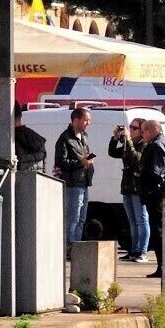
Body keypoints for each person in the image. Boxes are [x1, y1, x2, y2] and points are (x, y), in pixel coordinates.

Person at [131, 118, 165, 275]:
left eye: (143, 132)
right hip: (164, 191)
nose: (142, 135)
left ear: (151, 131)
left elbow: (155, 172)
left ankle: (162, 268)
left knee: (158, 231)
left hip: (157, 193)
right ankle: (163, 267)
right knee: (161, 230)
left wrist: (142, 178)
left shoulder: (156, 146)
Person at [108, 117, 151, 262]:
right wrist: (115, 138)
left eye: (134, 128)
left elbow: (137, 159)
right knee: (132, 221)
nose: (131, 130)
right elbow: (113, 152)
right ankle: (134, 250)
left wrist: (128, 141)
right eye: (130, 127)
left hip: (138, 187)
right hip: (127, 186)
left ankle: (142, 251)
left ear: (142, 131)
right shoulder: (130, 143)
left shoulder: (144, 145)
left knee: (141, 220)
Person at [53, 106, 96, 247]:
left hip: (84, 181)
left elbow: (84, 155)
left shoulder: (84, 136)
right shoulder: (65, 138)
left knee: (81, 219)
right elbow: (60, 162)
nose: (88, 123)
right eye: (86, 120)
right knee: (73, 219)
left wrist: (88, 162)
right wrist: (80, 163)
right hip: (73, 184)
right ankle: (69, 248)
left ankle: (76, 248)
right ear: (75, 120)